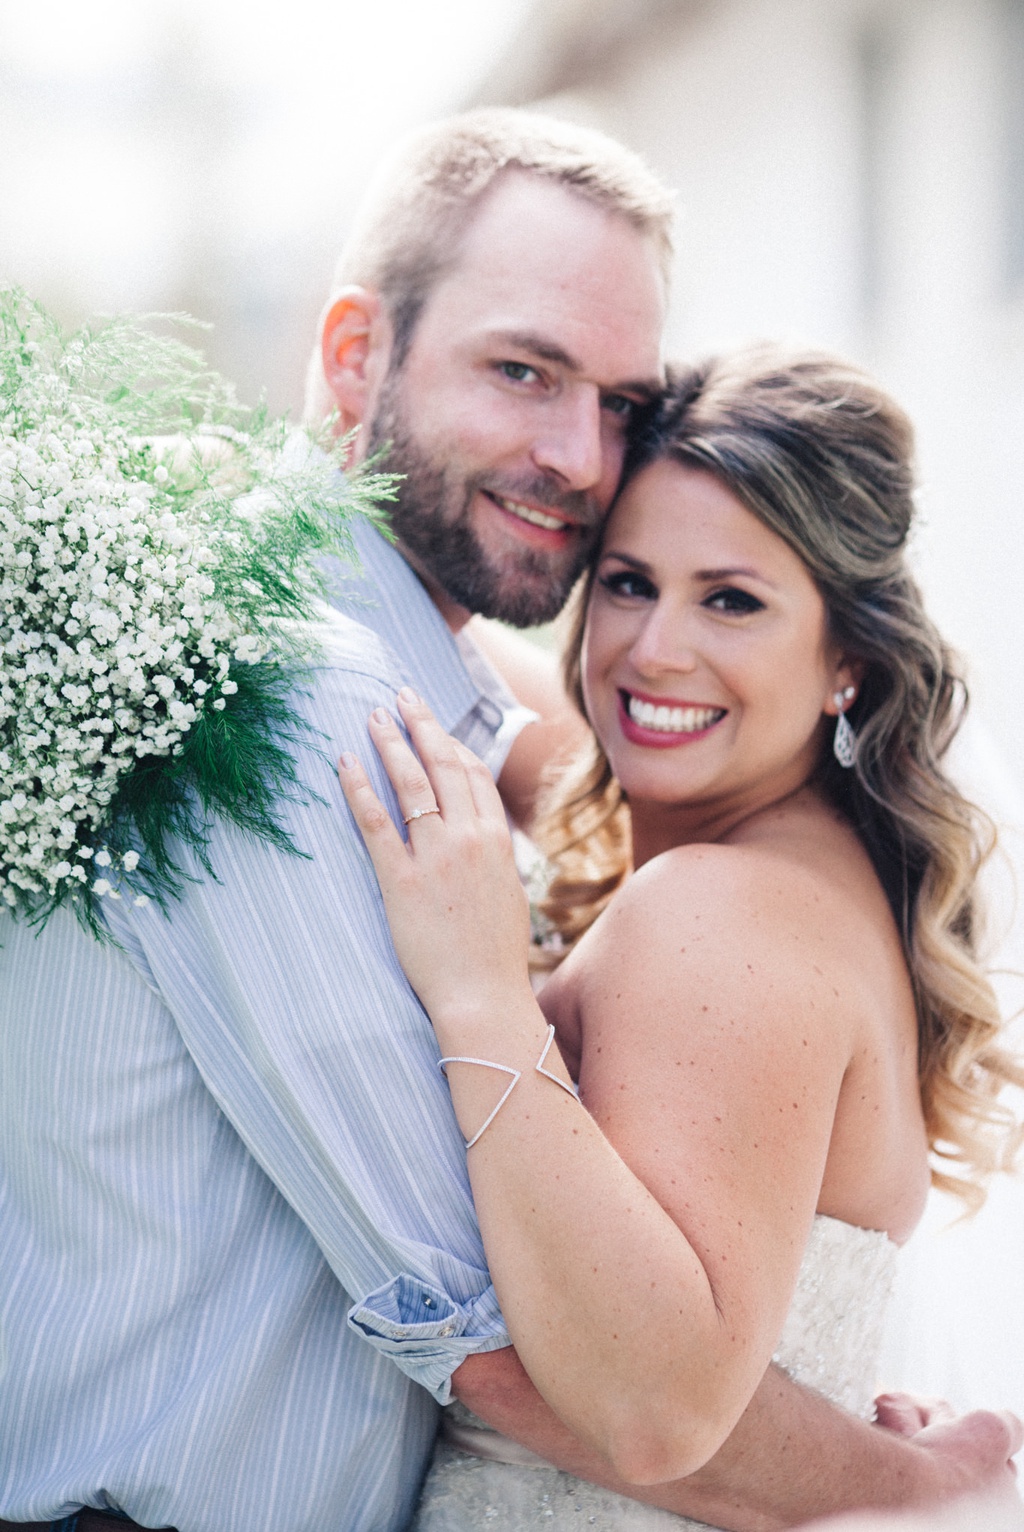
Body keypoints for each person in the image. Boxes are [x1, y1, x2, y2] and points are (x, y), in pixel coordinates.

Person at [0, 110, 1016, 1532]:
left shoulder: (394, 708)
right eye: (524, 370)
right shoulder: (299, 716)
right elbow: (497, 1338)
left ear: (846, 650)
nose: (580, 457)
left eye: (616, 399)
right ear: (356, 355)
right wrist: (897, 1480)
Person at [339, 347, 1024, 1529]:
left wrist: (479, 989)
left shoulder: (714, 909)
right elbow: (480, 693)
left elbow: (654, 1410)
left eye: (732, 599)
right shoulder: (805, 860)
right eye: (624, 582)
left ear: (845, 661)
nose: (654, 648)